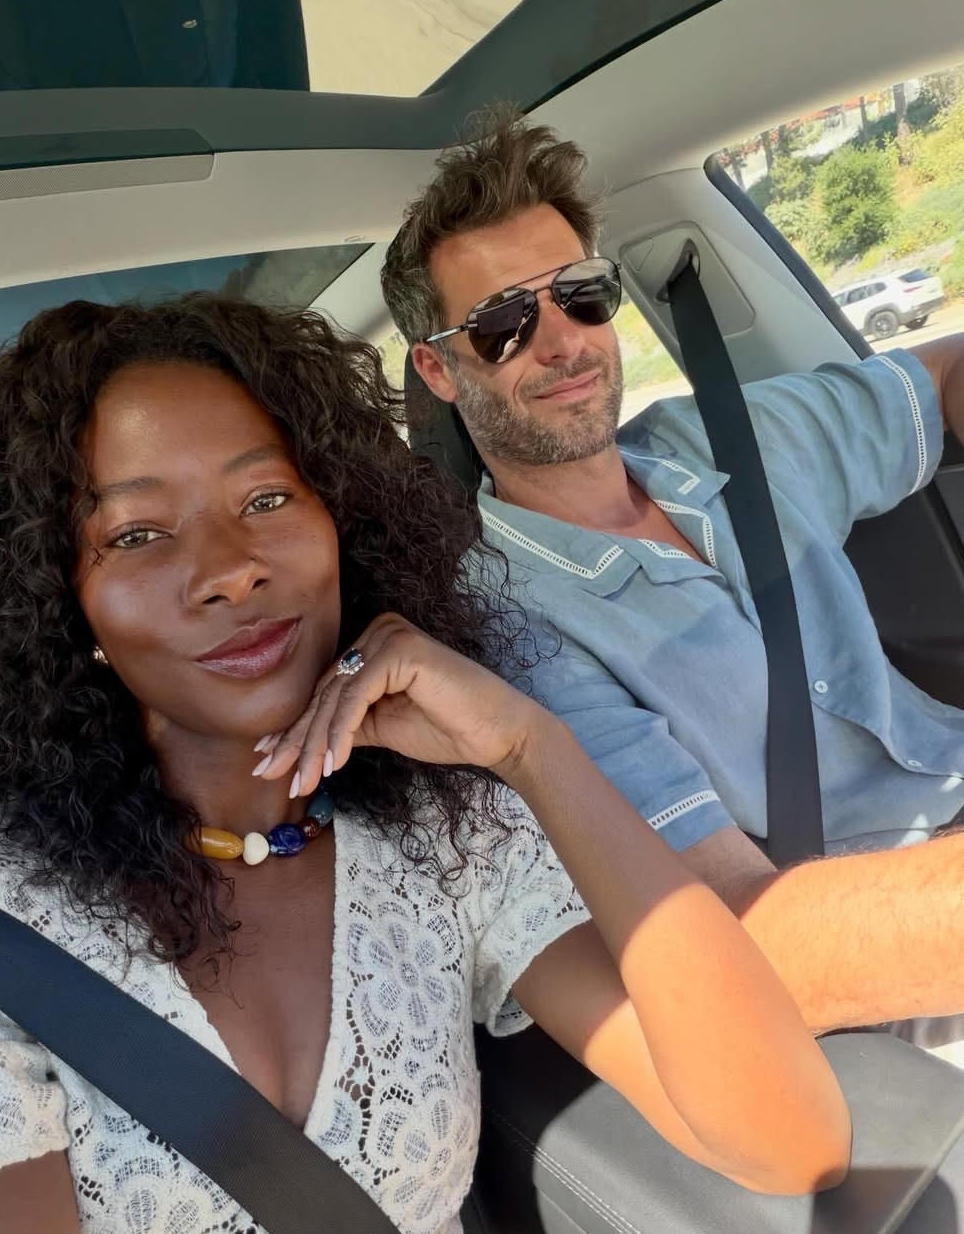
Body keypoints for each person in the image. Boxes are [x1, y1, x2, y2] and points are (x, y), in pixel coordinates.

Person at [0, 296, 848, 1234]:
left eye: (265, 496)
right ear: (65, 607)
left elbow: (790, 1138)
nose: (231, 568)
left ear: (340, 517)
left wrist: (534, 749)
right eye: (139, 533)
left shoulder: (451, 836)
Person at [381, 107, 964, 1047]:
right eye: (502, 324)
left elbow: (935, 382)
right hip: (886, 975)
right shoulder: (503, 628)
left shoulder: (717, 436)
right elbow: (734, 934)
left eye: (580, 293)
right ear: (439, 372)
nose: (563, 340)